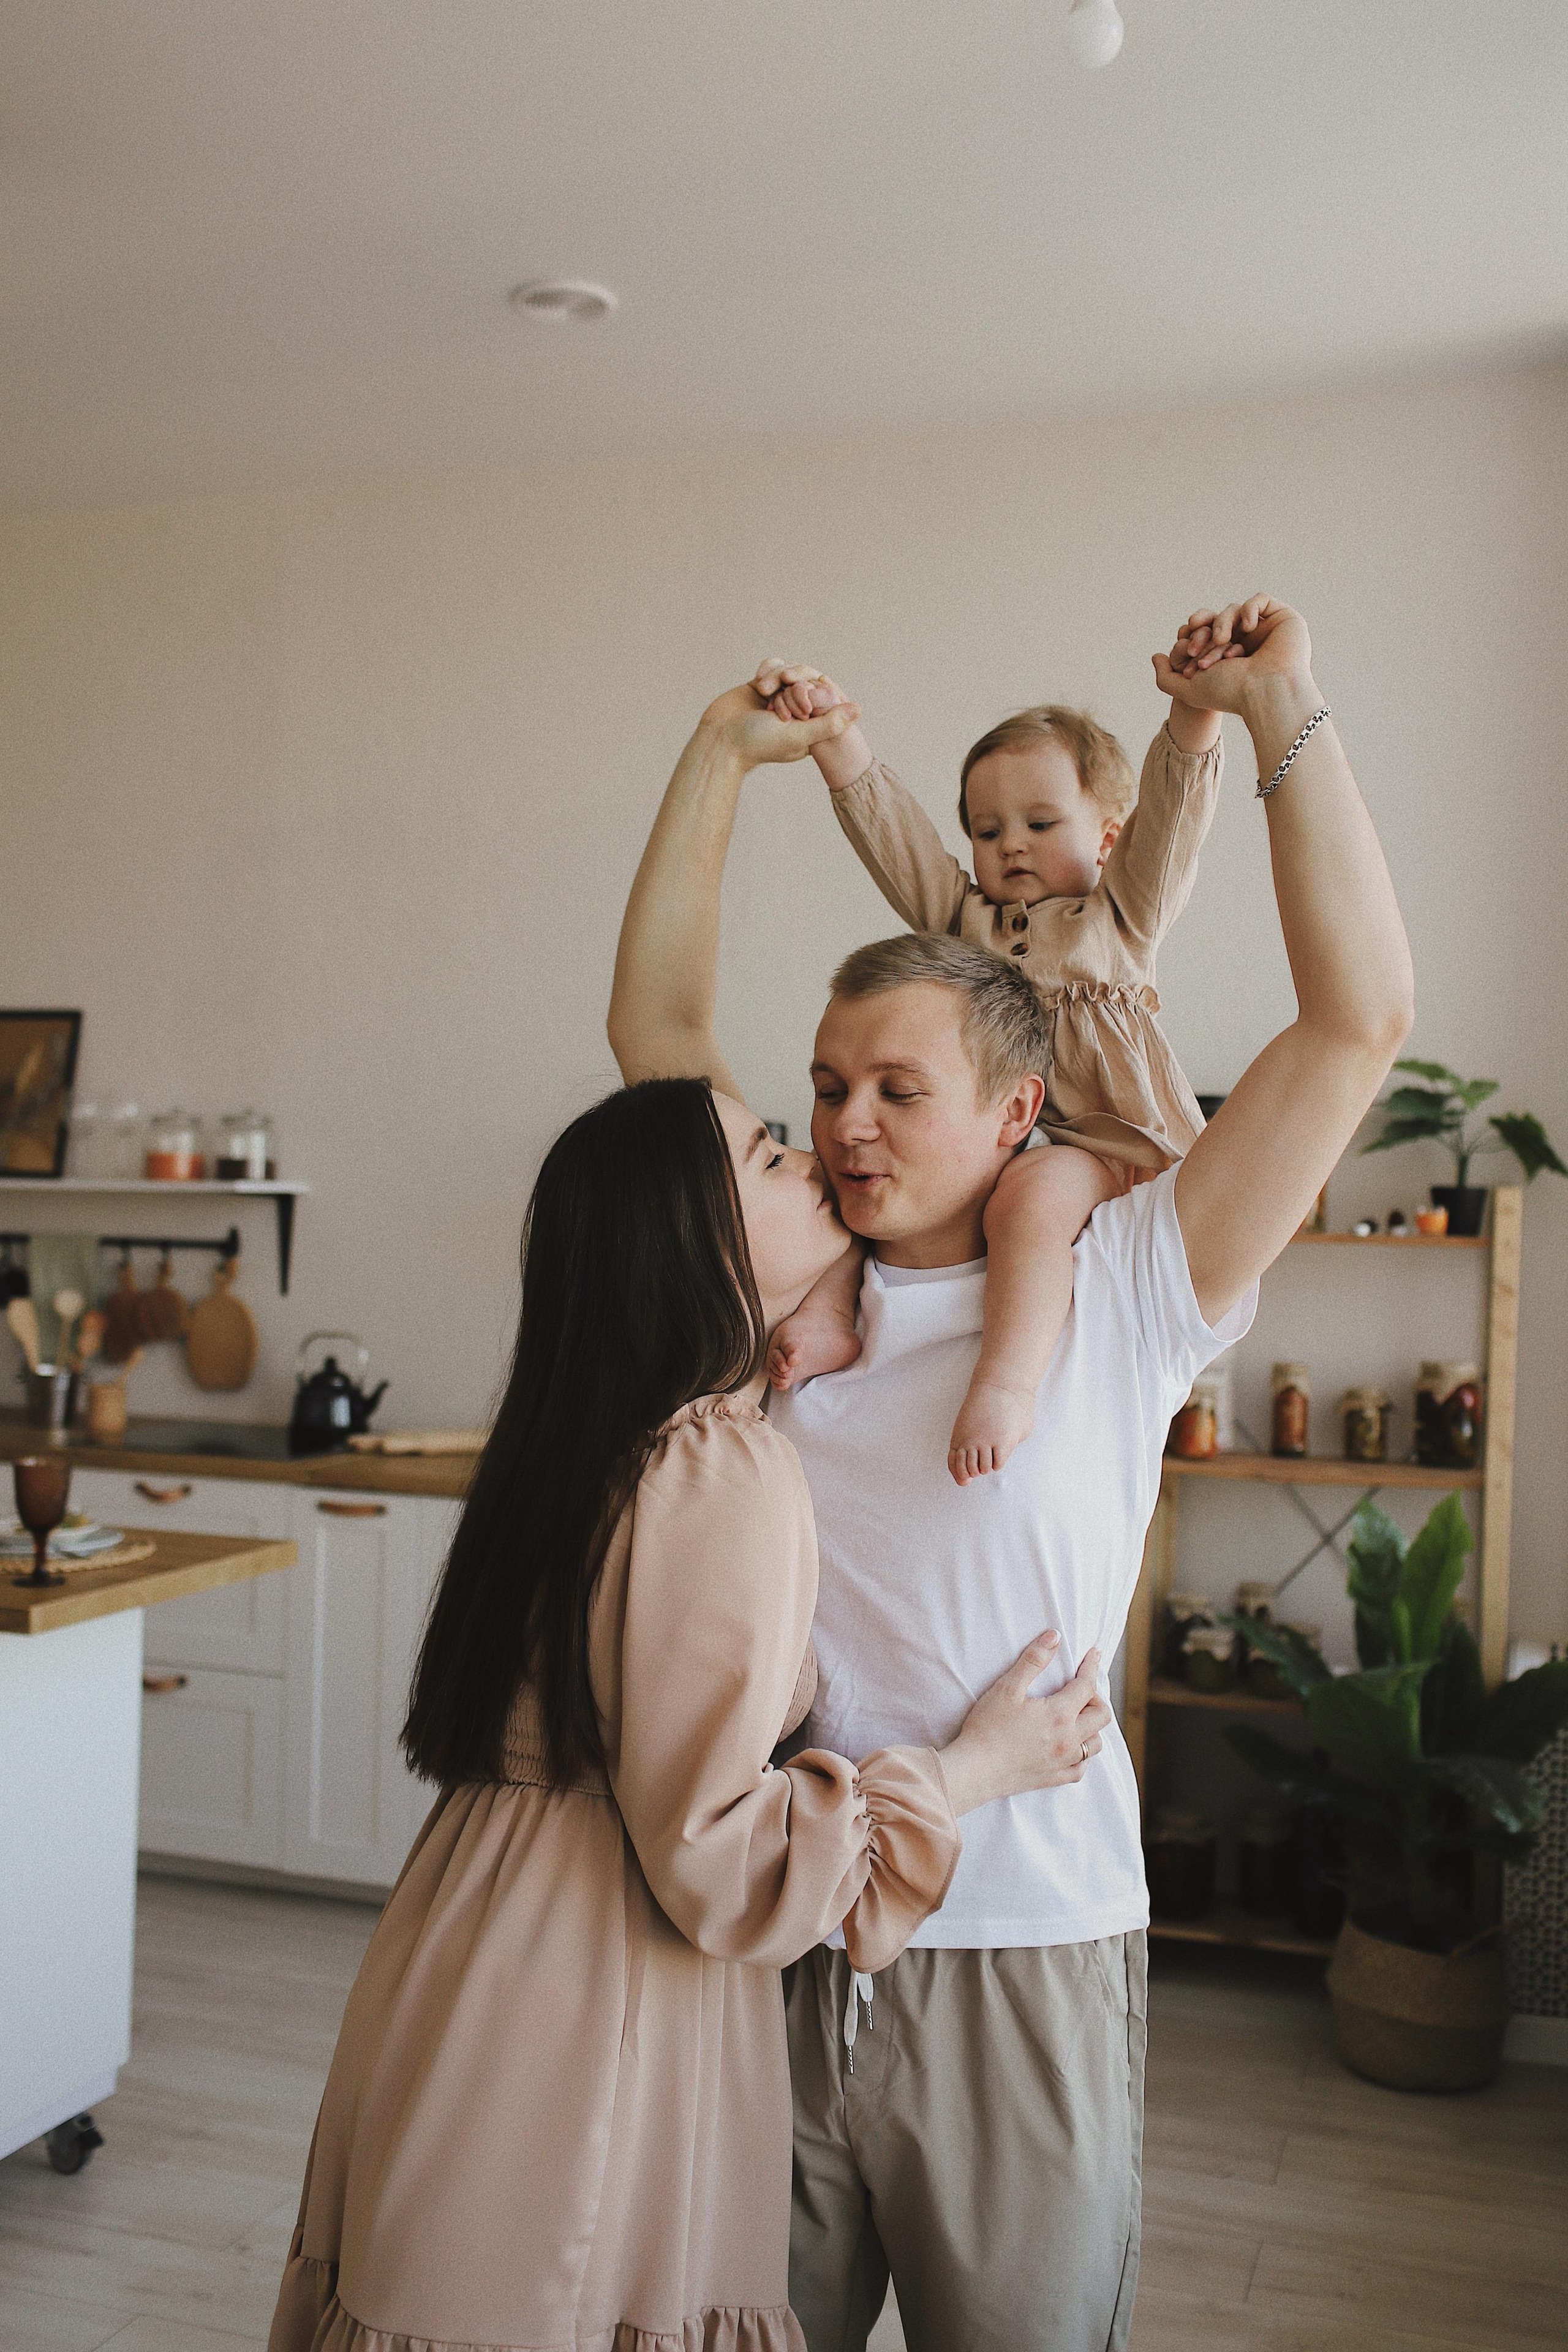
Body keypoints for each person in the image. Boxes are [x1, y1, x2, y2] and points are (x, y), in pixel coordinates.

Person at [608, 594, 1414, 2352]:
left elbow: (1355, 1025)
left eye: (897, 1086)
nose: (842, 1124)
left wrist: (1277, 713)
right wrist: (719, 758)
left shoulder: (1132, 1282)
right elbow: (657, 1037)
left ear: (1019, 1112)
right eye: (827, 1085)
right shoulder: (776, 1285)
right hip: (773, 1930)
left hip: (1026, 1947)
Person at [268, 1010, 1113, 2343]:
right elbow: (716, 1856)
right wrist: (968, 1768)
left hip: (460, 1948)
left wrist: (823, 1298)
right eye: (773, 1152)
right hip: (596, 1987)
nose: (821, 1154)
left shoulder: (587, 1432)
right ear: (696, 1244)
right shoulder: (718, 1467)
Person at [760, 658, 1232, 1484]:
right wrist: (837, 741)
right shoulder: (965, 925)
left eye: (1041, 823)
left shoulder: (1119, 918)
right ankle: (834, 1311)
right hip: (1004, 1138)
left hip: (1109, 1143)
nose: (1010, 844)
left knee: (1030, 1201)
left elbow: (1174, 821)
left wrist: (1195, 717)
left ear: (1108, 837)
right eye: (987, 830)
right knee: (856, 1176)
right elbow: (898, 842)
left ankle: (1008, 1384)